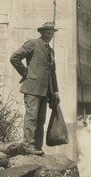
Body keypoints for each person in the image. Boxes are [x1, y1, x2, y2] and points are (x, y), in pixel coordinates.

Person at [10, 21, 60, 155]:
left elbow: (52, 73)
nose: (49, 36)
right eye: (47, 33)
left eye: (51, 33)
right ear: (42, 33)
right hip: (32, 88)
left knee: (41, 119)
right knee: (31, 117)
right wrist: (25, 73)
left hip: (45, 91)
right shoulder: (32, 44)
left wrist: (55, 91)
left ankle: (37, 147)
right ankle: (28, 146)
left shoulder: (51, 51)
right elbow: (14, 58)